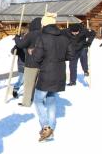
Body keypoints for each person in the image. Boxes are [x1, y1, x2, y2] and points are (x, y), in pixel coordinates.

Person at [31, 12, 74, 142]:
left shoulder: (42, 37)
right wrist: (59, 57)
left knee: (38, 100)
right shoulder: (64, 37)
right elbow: (71, 55)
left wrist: (33, 52)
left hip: (46, 73)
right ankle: (50, 128)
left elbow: (36, 58)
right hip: (59, 73)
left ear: (45, 24)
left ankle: (46, 127)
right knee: (51, 99)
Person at [14, 17, 42, 106]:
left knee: (29, 84)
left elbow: (21, 44)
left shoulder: (31, 34)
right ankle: (35, 99)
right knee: (37, 84)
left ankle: (26, 102)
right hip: (42, 63)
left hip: (31, 63)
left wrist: (17, 38)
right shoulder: (44, 34)